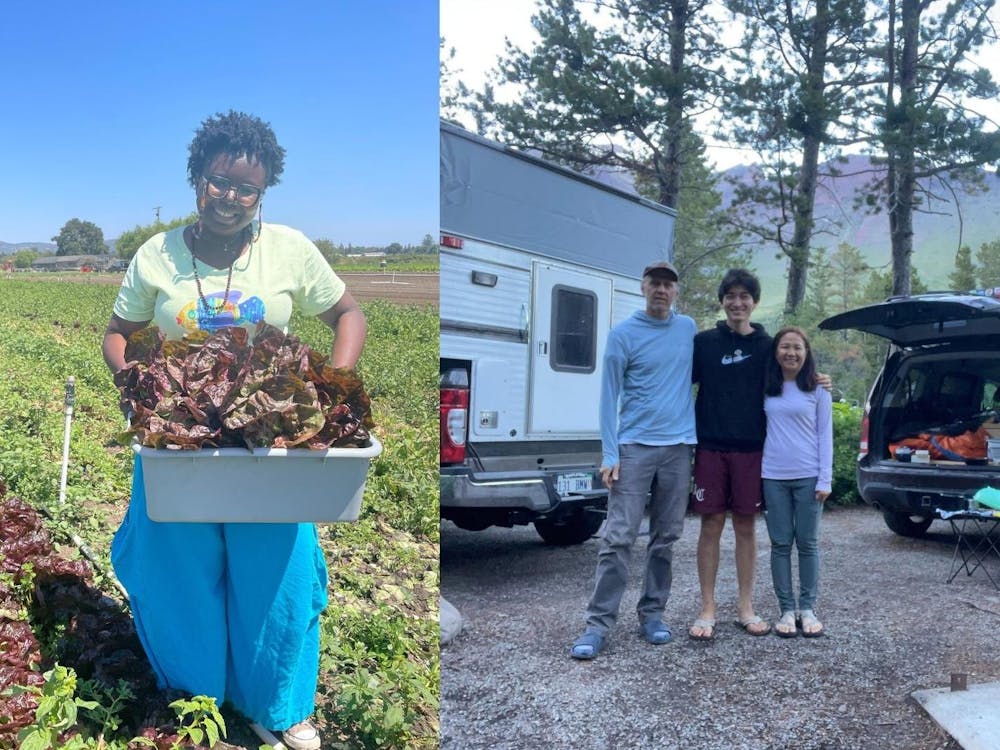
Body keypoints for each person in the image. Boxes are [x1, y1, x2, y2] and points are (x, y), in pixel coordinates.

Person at [101, 111, 366, 750]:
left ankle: (275, 706)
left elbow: (348, 312)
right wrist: (139, 386)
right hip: (180, 441)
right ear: (198, 179)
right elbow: (120, 334)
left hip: (268, 444)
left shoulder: (289, 249)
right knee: (177, 570)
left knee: (276, 570)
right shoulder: (156, 254)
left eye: (247, 187)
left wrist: (331, 385)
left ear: (263, 191)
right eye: (219, 180)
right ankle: (197, 702)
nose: (231, 196)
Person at [570, 261, 697, 660]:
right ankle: (598, 624)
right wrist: (610, 453)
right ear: (643, 287)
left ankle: (653, 615)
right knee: (618, 537)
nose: (661, 290)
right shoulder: (623, 334)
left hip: (678, 449)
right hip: (634, 448)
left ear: (676, 291)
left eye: (668, 285)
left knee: (666, 536)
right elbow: (609, 396)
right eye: (655, 283)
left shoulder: (688, 329)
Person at [688, 269, 773, 640]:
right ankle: (707, 608)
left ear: (754, 302)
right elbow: (676, 381)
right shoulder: (703, 343)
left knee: (746, 527)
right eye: (731, 296)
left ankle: (745, 607)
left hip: (751, 449)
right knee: (710, 525)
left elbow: (794, 374)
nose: (738, 303)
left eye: (745, 296)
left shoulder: (768, 346)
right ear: (722, 301)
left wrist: (820, 382)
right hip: (710, 446)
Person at [761, 326, 833, 638]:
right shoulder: (765, 387)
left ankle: (807, 608)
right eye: (785, 347)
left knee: (808, 543)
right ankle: (786, 610)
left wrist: (825, 479)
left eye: (797, 348)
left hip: (809, 476)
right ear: (776, 352)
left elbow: (825, 435)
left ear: (806, 353)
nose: (791, 353)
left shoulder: (818, 389)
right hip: (772, 475)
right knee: (780, 544)